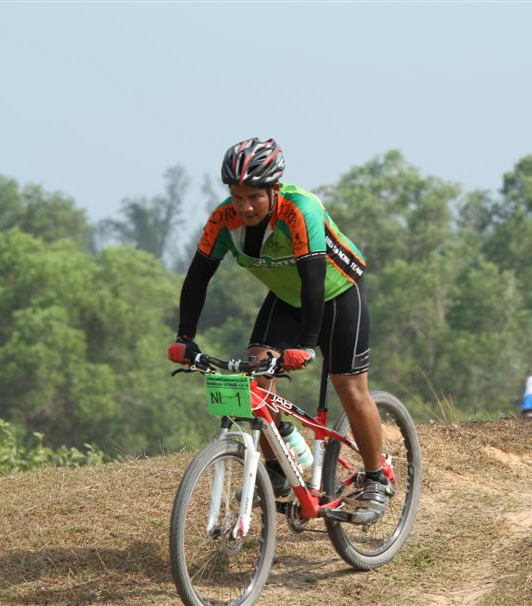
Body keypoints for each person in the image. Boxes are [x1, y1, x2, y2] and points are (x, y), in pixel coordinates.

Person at [167, 137, 391, 523]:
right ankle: (277, 468)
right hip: (287, 297)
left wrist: (306, 344)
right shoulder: (223, 220)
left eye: (254, 196)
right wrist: (185, 337)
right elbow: (198, 277)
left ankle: (376, 477)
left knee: (349, 388)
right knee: (255, 378)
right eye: (237, 196)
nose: (244, 206)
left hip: (337, 292)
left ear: (275, 189)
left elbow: (313, 280)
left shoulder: (301, 210)